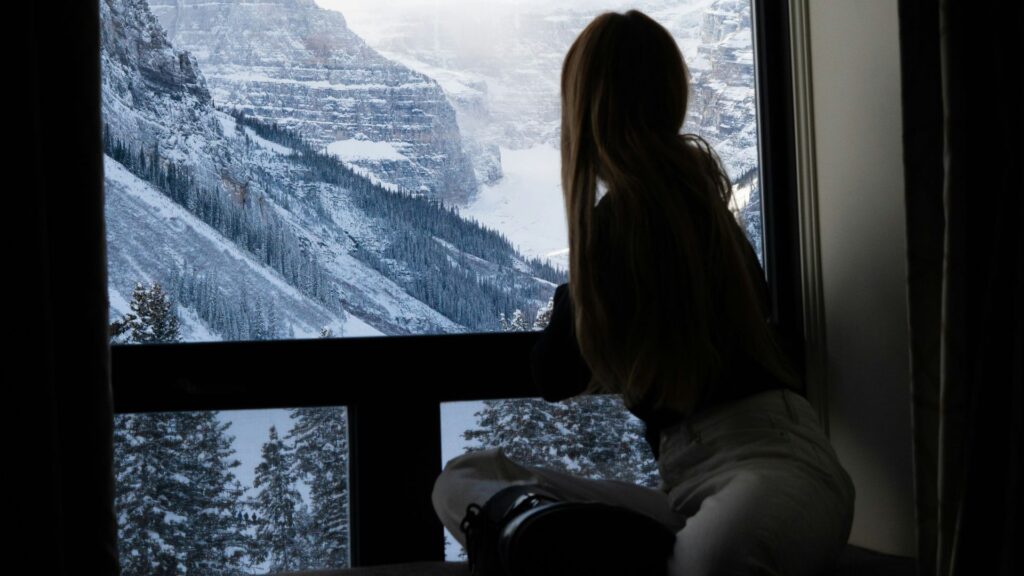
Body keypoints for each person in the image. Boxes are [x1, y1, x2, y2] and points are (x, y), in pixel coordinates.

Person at [432, 9, 855, 576]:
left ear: (583, 109)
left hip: (771, 470)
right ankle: (565, 541)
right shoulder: (705, 210)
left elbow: (554, 372)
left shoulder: (625, 222)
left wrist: (576, 287)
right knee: (693, 553)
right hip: (695, 490)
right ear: (671, 96)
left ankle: (533, 535)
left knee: (464, 481)